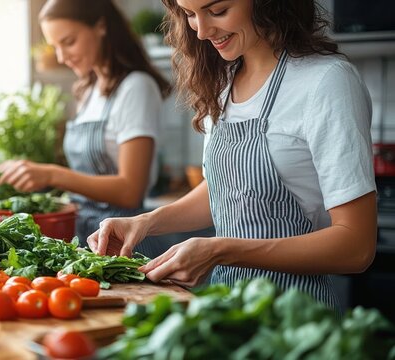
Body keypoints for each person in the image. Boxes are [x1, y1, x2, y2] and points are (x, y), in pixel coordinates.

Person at [87, 0, 377, 309]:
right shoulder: (223, 81)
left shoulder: (327, 82)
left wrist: (220, 250)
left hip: (295, 321)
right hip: (227, 311)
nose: (201, 31)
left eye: (217, 10)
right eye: (189, 14)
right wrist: (145, 222)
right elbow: (229, 191)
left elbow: (356, 246)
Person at [0, 0, 172, 256]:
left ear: (100, 26)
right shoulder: (87, 91)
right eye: (55, 46)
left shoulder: (136, 87)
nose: (61, 57)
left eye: (68, 42)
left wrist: (52, 174)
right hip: (86, 237)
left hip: (123, 244)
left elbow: (131, 190)